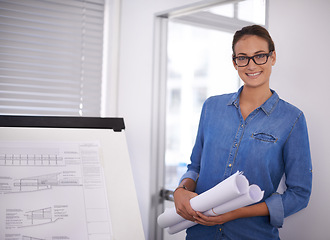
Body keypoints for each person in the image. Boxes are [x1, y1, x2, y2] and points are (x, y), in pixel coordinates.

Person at [173, 25, 312, 240]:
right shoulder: (212, 107)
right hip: (200, 234)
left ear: (272, 57)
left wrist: (235, 213)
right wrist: (181, 190)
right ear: (234, 62)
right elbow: (195, 168)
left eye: (260, 56)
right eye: (243, 58)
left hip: (254, 235)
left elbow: (299, 195)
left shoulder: (292, 119)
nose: (251, 65)